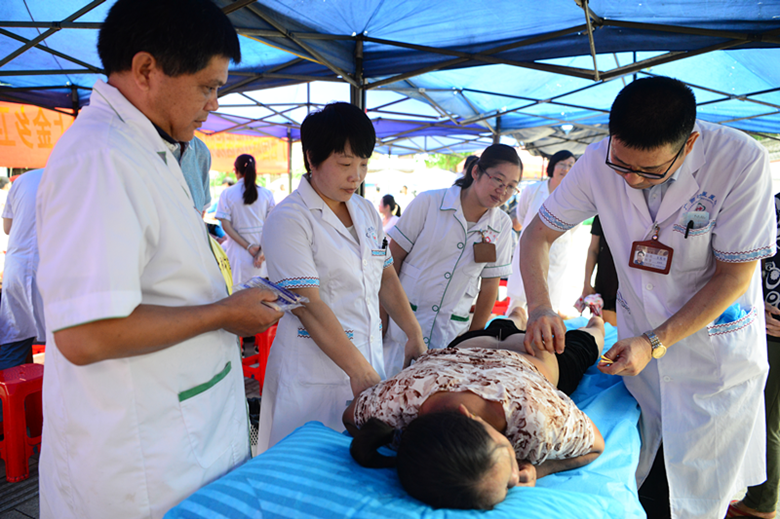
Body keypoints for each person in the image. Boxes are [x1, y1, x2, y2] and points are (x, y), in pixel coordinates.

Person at [34, 1, 283, 517]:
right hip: (142, 461)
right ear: (147, 69)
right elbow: (85, 335)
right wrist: (222, 313)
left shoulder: (149, 146)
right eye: (206, 86)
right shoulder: (101, 157)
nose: (213, 103)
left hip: (177, 434)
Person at [520, 76, 775, 519]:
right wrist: (540, 305)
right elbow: (537, 234)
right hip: (639, 352)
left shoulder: (739, 161)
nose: (633, 178)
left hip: (711, 356)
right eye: (622, 164)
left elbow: (734, 277)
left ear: (689, 143)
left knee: (699, 496)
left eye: (651, 170)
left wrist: (655, 341)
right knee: (641, 483)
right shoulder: (598, 160)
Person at [258, 102, 425, 453]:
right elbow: (307, 305)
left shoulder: (365, 210)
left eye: (363, 164)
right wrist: (359, 371)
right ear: (312, 158)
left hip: (366, 361)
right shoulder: (290, 219)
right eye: (345, 164)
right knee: (305, 465)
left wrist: (413, 332)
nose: (356, 176)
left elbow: (385, 276)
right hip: (314, 371)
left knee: (357, 465)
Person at [344, 315, 606, 510]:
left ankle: (595, 320)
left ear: (469, 416)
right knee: (505, 323)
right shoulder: (393, 404)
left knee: (592, 336)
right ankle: (517, 315)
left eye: (508, 477)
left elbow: (596, 446)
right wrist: (413, 442)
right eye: (510, 485)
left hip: (534, 352)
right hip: (467, 345)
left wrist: (543, 468)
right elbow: (351, 417)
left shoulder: (535, 420)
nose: (516, 475)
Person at [383, 144, 522, 377]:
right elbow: (391, 260)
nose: (503, 191)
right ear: (476, 172)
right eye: (498, 180)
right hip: (402, 327)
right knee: (390, 387)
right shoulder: (429, 203)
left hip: (450, 334)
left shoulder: (502, 225)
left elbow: (489, 285)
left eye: (511, 186)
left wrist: (473, 340)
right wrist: (383, 318)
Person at [727, 192, 780, 519]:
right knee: (756, 414)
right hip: (755, 325)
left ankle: (762, 505)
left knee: (767, 420)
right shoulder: (770, 204)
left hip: (774, 335)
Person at [505, 150, 577, 329]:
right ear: (553, 166)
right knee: (517, 303)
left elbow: (573, 227)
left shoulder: (575, 196)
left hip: (557, 255)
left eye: (571, 165)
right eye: (562, 164)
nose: (566, 169)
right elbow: (522, 217)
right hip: (529, 250)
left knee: (549, 304)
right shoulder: (533, 190)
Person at [0, 169, 45, 369]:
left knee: (14, 344)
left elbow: (7, 228)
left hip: (16, 268)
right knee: (63, 344)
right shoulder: (75, 176)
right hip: (52, 269)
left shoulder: (23, 179)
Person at [216, 154, 276, 283]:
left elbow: (226, 226)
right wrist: (262, 250)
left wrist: (248, 247)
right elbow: (273, 226)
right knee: (261, 291)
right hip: (262, 257)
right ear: (255, 171)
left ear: (236, 171)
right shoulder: (267, 194)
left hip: (237, 255)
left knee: (238, 291)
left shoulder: (227, 193)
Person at [582, 215, 618, 326]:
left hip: (633, 281)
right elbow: (593, 250)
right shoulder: (603, 215)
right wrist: (587, 283)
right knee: (608, 328)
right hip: (608, 280)